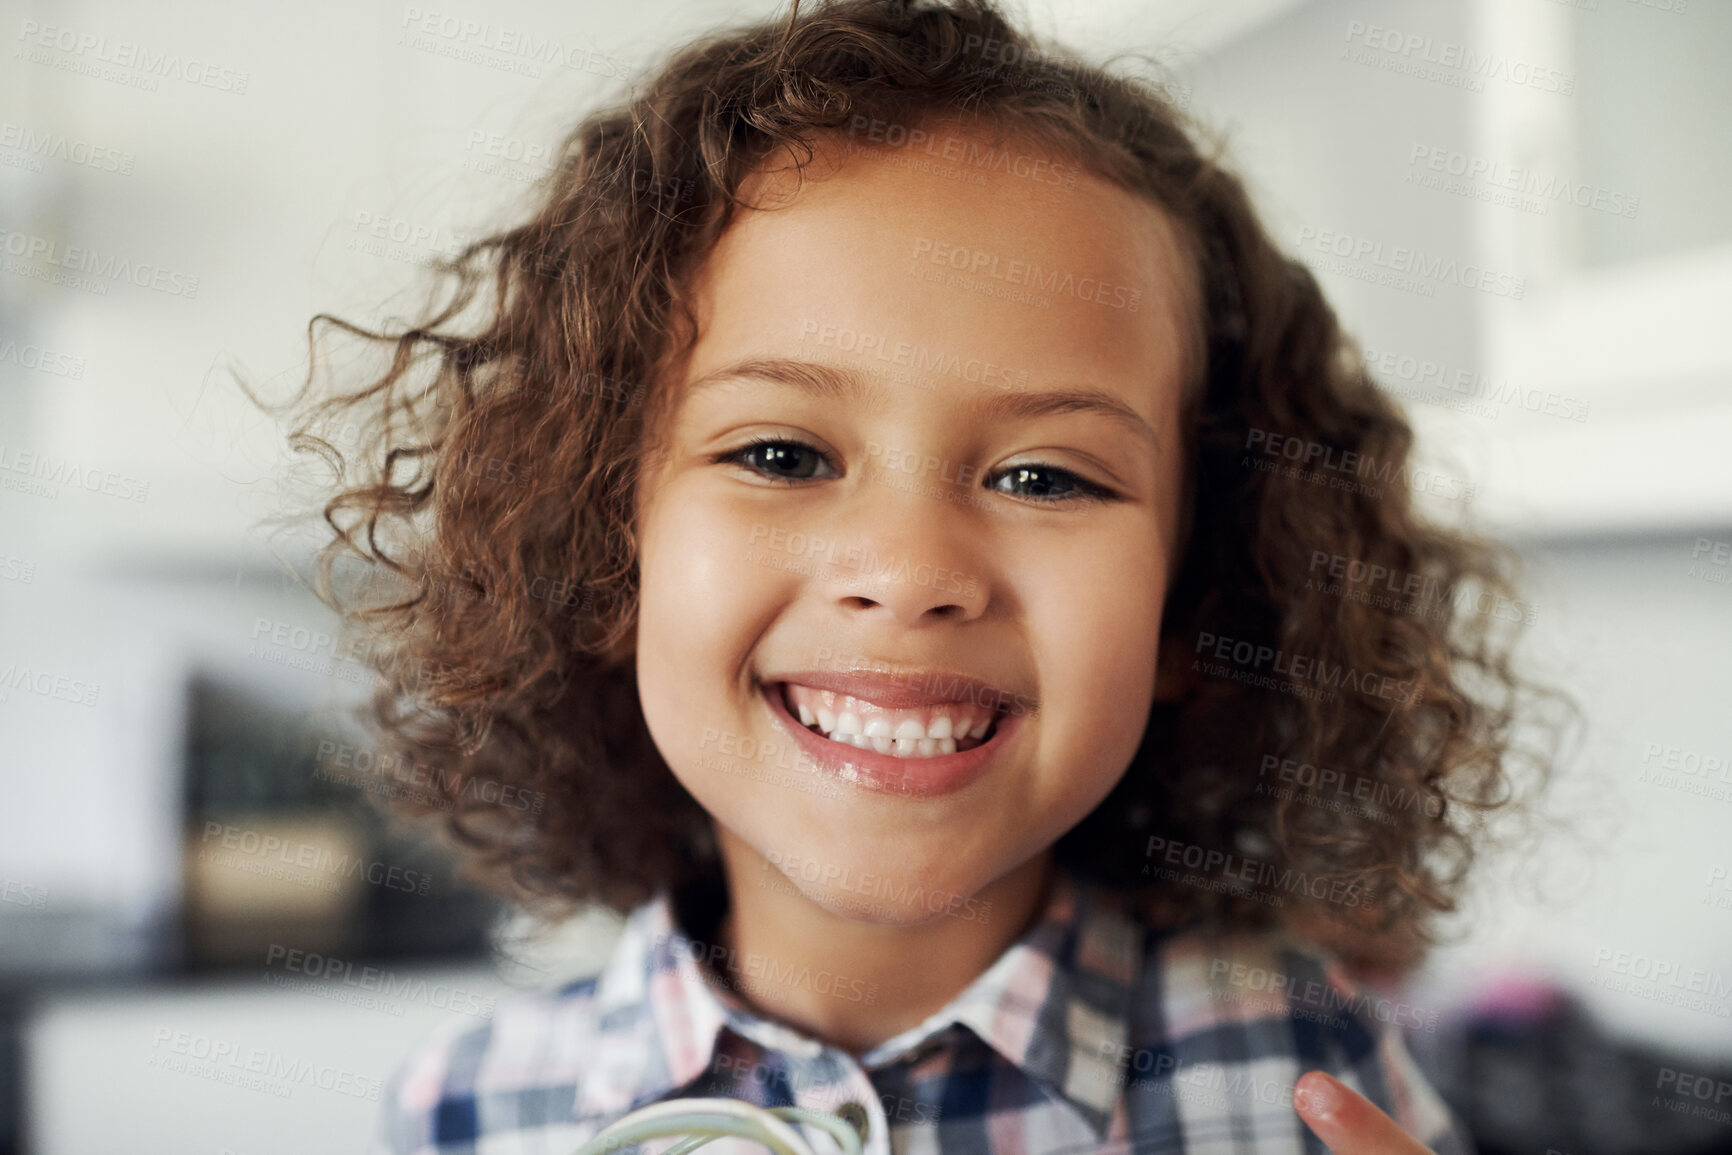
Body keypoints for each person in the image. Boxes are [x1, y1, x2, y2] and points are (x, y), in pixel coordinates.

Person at [284, 1, 1556, 1149]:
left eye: (1047, 477)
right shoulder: (469, 1112)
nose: (908, 572)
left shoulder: (1313, 1073)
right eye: (781, 453)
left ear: (1194, 598)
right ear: (603, 557)